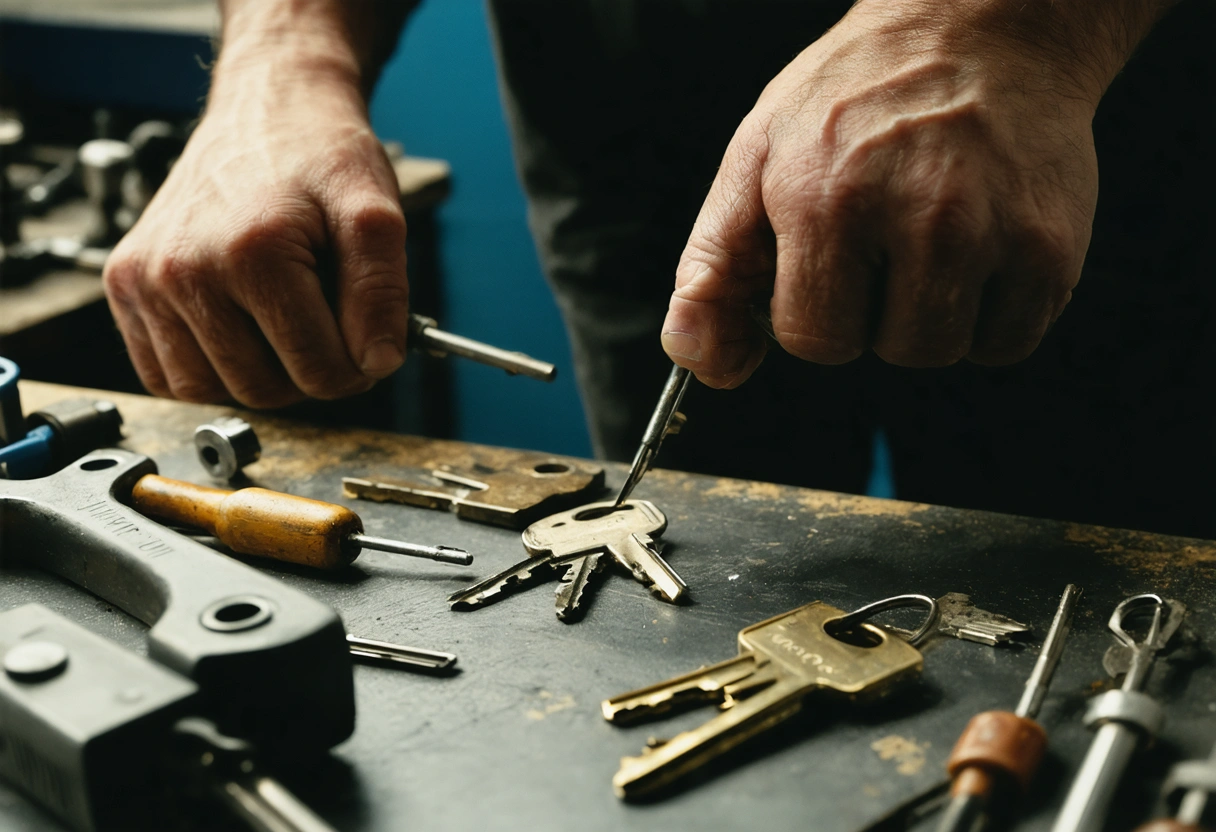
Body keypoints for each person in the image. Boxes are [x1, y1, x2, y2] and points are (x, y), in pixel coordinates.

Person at [102, 0, 1214, 537]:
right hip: (625, 116)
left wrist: (1014, 25)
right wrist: (279, 59)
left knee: (1123, 577)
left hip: (1094, 114)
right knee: (707, 547)